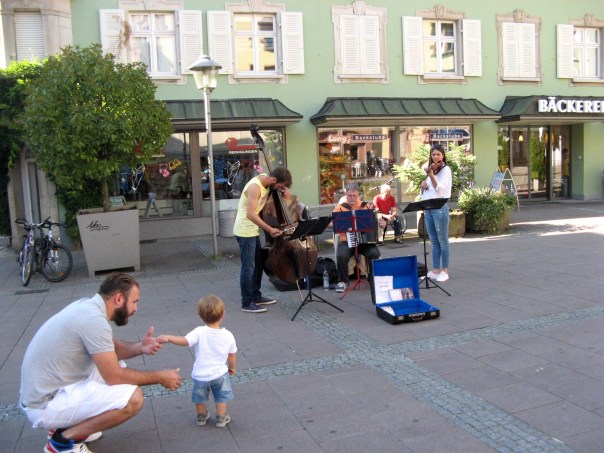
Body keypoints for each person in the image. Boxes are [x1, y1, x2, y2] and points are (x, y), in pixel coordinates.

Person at [19, 273, 182, 453]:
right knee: (133, 399)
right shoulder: (93, 320)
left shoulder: (88, 307)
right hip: (44, 404)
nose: (136, 309)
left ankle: (70, 427)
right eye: (134, 302)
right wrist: (160, 377)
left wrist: (140, 347)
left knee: (117, 365)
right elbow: (114, 377)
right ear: (119, 298)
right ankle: (62, 442)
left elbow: (111, 349)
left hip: (44, 392)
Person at [159, 295, 237, 428]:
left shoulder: (199, 332)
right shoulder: (228, 335)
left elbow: (185, 341)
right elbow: (232, 355)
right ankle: (221, 418)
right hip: (220, 374)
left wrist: (169, 338)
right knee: (221, 397)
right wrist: (232, 367)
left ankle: (201, 416)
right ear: (223, 314)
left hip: (200, 375)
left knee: (200, 397)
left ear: (201, 315)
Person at [233, 167, 292, 313]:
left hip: (252, 230)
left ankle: (256, 295)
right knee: (248, 268)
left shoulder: (267, 180)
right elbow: (250, 214)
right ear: (274, 180)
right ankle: (246, 303)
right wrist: (269, 229)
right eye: (280, 186)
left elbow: (272, 191)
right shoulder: (255, 187)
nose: (279, 189)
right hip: (245, 231)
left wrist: (284, 191)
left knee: (258, 264)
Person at [332, 183, 381, 292]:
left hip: (363, 241)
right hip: (346, 240)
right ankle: (343, 281)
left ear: (358, 194)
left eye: (354, 195)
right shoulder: (340, 208)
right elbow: (331, 223)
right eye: (349, 196)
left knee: (375, 253)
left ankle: (373, 278)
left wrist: (381, 223)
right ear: (346, 195)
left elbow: (374, 222)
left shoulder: (365, 206)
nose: (352, 198)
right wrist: (334, 223)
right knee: (341, 255)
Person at [420, 144, 452, 282]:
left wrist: (431, 176)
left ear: (442, 156)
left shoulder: (446, 170)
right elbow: (425, 193)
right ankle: (435, 270)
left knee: (442, 241)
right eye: (433, 154)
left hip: (440, 208)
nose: (435, 157)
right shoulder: (431, 170)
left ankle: (444, 271)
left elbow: (439, 190)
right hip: (429, 208)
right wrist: (422, 187)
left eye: (438, 154)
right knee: (434, 241)